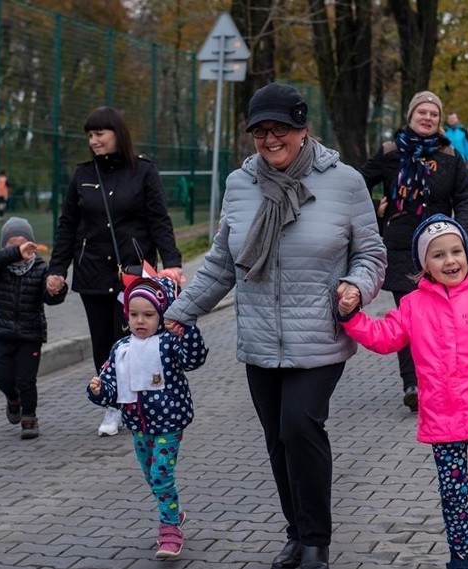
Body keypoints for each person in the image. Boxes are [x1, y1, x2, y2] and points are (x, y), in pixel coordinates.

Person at [163, 82, 386, 569]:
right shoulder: (240, 185)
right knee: (277, 440)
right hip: (260, 338)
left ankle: (316, 543)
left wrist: (355, 287)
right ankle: (294, 530)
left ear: (302, 130)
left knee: (300, 426)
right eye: (260, 131)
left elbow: (370, 254)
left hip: (320, 334)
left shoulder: (345, 182)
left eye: (280, 129)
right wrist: (180, 313)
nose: (269, 139)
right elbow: (224, 263)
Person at [337, 214, 468, 569]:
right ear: (424, 265)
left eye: (456, 251)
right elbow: (384, 337)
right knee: (453, 494)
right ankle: (460, 558)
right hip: (443, 417)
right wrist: (351, 316)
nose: (450, 261)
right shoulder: (413, 307)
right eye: (438, 255)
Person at [46, 106, 184, 437]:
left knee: (134, 338)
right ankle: (113, 402)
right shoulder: (82, 176)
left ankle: (141, 401)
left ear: (116, 134)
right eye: (89, 136)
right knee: (104, 343)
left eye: (100, 134)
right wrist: (57, 269)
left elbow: (159, 219)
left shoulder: (143, 172)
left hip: (133, 275)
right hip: (92, 272)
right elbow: (68, 225)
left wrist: (173, 263)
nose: (93, 141)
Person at [359, 90, 468, 413]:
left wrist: (461, 238)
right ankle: (413, 383)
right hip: (400, 248)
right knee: (410, 316)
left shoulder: (450, 155)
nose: (427, 118)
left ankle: (438, 380)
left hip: (441, 251)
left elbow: (465, 197)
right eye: (421, 112)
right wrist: (375, 211)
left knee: (439, 318)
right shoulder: (390, 152)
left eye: (433, 114)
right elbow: (354, 189)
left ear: (439, 121)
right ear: (410, 117)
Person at [87, 276, 207, 560]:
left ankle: (169, 529)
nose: (140, 321)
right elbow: (111, 384)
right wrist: (99, 390)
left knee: (161, 474)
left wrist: (186, 331)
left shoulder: (167, 344)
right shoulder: (122, 348)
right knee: (151, 476)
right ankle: (173, 511)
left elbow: (193, 359)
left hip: (170, 422)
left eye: (149, 315)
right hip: (138, 424)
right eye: (134, 314)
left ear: (161, 314)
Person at [0, 217, 68, 439]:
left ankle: (29, 418)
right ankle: (13, 399)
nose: (20, 251)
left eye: (24, 245)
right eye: (13, 246)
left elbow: (50, 299)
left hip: (31, 335)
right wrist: (15, 253)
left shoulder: (40, 269)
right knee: (4, 378)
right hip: (4, 333)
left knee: (26, 380)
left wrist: (57, 289)